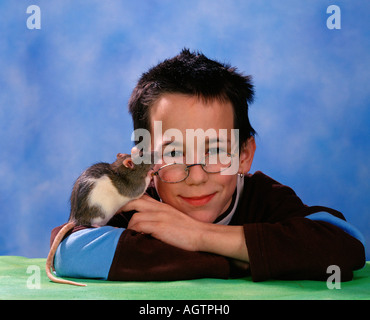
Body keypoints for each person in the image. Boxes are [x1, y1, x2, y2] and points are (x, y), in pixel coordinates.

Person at [50, 49, 365, 282]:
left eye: (215, 151)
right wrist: (234, 260)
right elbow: (69, 252)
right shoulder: (132, 203)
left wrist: (199, 235)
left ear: (244, 156)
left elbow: (346, 248)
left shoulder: (264, 197)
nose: (197, 176)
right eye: (173, 155)